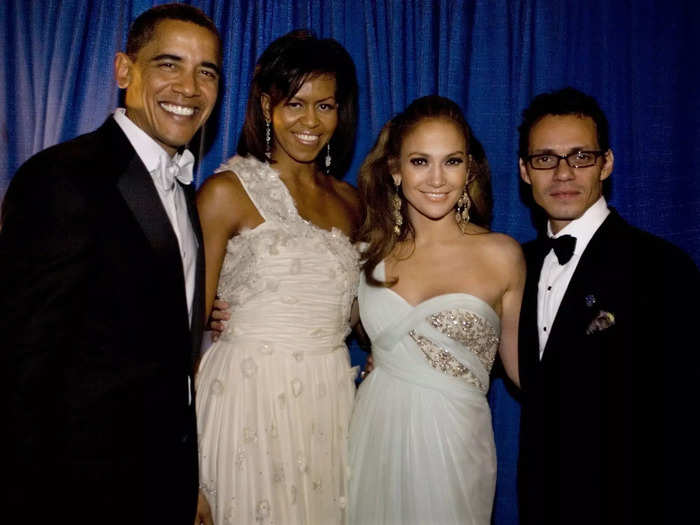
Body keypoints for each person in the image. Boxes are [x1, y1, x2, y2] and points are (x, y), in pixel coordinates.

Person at [0, 4, 221, 524]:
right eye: (169, 64)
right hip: (79, 491)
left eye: (206, 71)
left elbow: (167, 356)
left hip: (159, 481)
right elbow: (19, 366)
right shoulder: (62, 179)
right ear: (125, 70)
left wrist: (184, 482)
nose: (189, 87)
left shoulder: (182, 189)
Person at [194, 30, 361, 525]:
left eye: (325, 106)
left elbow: (361, 312)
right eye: (295, 103)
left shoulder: (354, 202)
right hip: (248, 399)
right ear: (268, 106)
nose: (310, 122)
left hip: (330, 402)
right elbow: (180, 332)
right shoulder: (225, 192)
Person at [516, 87, 700, 525]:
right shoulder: (517, 266)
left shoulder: (662, 267)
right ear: (525, 171)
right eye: (545, 158)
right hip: (542, 502)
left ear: (607, 163)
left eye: (580, 156)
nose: (563, 173)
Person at [347, 95, 525, 525]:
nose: (437, 179)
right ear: (394, 170)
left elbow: (525, 371)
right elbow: (317, 326)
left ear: (470, 170)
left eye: (452, 161)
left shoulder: (501, 254)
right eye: (420, 161)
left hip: (456, 444)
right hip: (373, 437)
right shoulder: (365, 255)